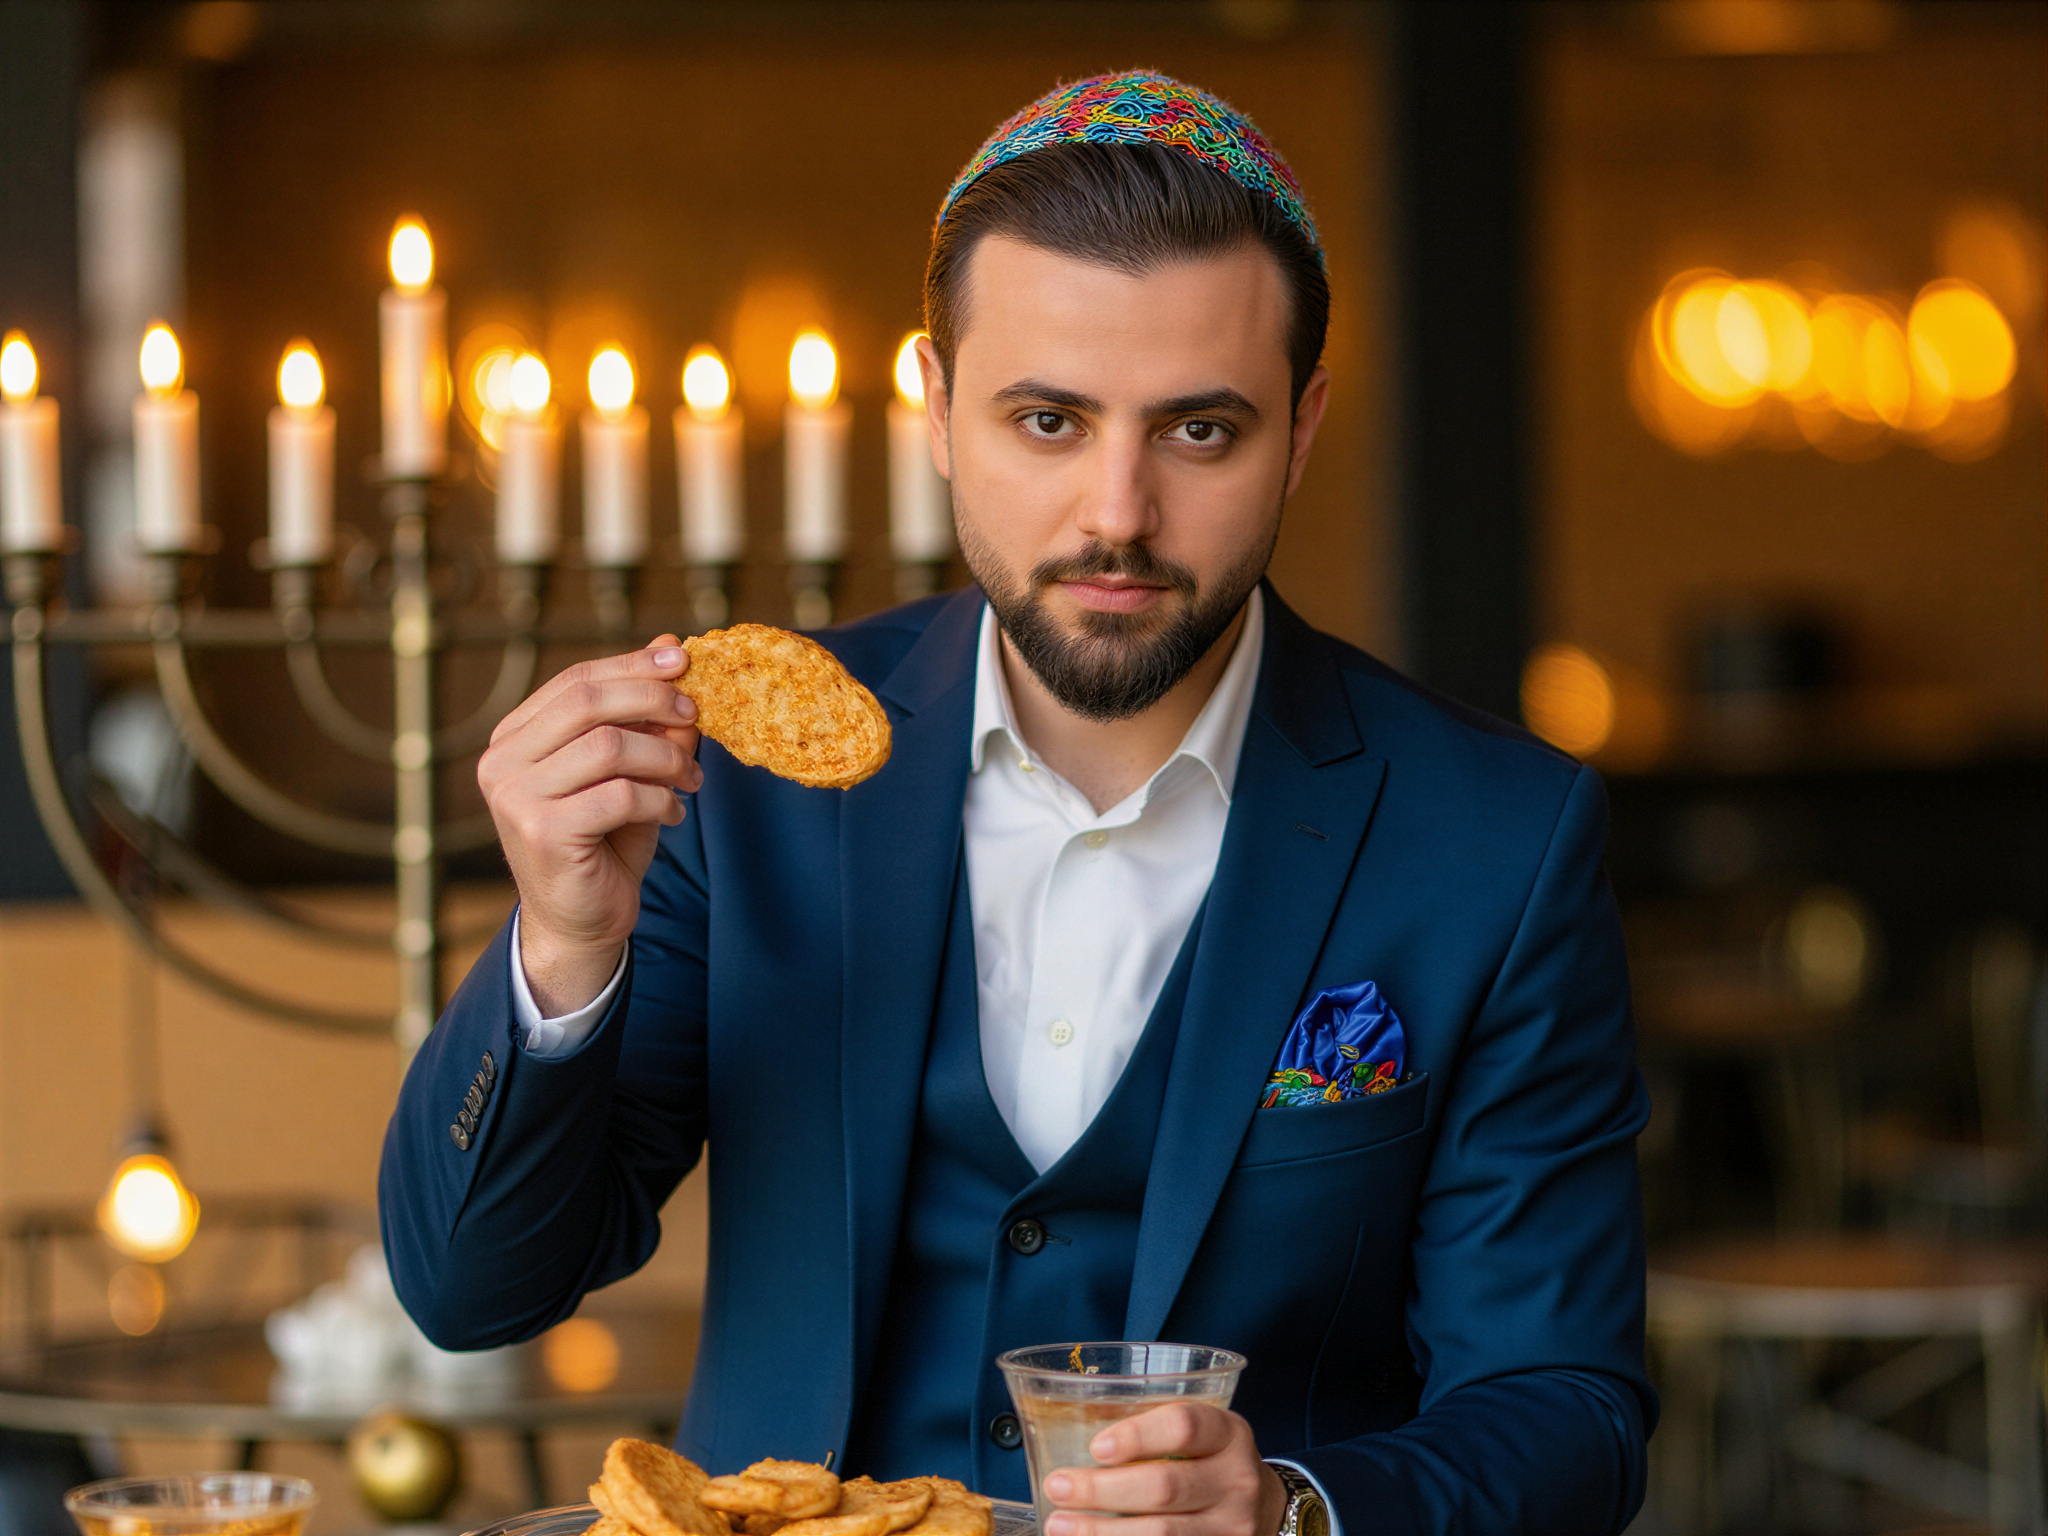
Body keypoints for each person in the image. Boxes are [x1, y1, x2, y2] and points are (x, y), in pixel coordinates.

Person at [381, 71, 1653, 1536]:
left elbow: (1569, 1406)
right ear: (933, 410)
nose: (1117, 510)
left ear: (1300, 431)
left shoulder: (1496, 836)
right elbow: (474, 1290)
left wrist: (1296, 1511)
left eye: (1198, 432)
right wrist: (560, 946)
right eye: (1048, 421)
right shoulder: (739, 782)